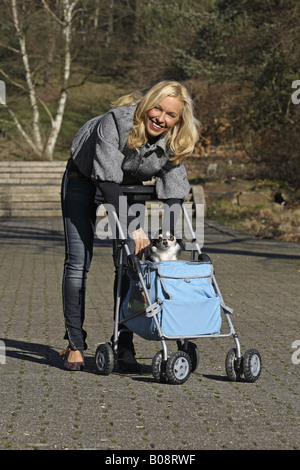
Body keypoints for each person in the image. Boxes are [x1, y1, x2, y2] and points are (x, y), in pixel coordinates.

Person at [60, 80, 200, 371]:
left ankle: (123, 343)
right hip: (84, 178)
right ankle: (74, 343)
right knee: (78, 262)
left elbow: (175, 191)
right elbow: (106, 179)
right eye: (157, 109)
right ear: (147, 104)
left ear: (179, 120)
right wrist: (133, 227)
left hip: (126, 186)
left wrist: (169, 231)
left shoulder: (175, 138)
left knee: (129, 261)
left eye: (170, 115)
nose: (161, 118)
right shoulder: (115, 121)